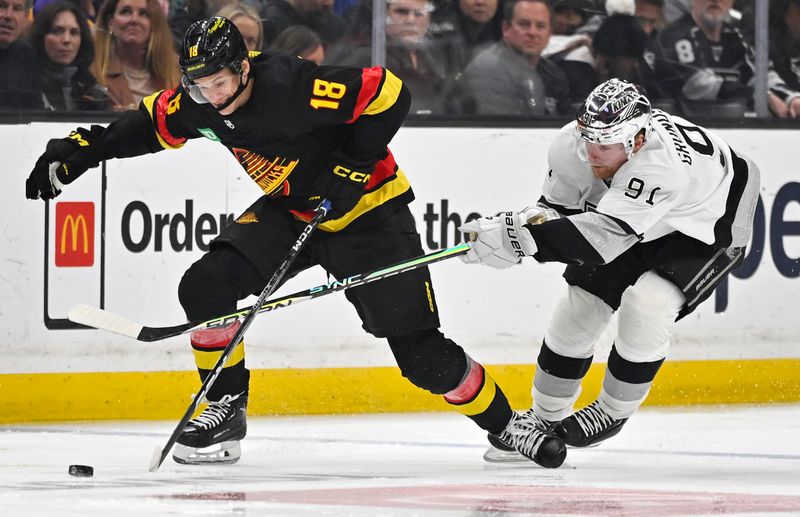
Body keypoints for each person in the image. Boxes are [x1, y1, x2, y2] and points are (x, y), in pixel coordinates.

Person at [25, 16, 566, 469]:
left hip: (371, 214)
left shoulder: (292, 84)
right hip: (292, 212)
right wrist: (81, 150)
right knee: (206, 287)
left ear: (243, 67)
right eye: (198, 86)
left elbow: (390, 94)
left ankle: (505, 426)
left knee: (424, 360)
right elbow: (146, 126)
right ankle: (226, 407)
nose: (210, 98)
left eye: (218, 83)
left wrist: (353, 166)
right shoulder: (201, 100)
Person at [460, 78, 759, 457]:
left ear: (636, 140)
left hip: (709, 218)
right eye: (588, 139)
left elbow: (601, 241)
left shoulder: (661, 165)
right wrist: (517, 226)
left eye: (606, 144)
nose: (593, 153)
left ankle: (613, 412)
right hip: (636, 218)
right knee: (579, 306)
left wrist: (521, 242)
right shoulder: (571, 146)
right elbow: (559, 213)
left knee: (647, 304)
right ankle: (543, 418)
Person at [656, 0, 800, 118]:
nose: (715, 0)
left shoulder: (735, 36)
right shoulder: (675, 36)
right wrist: (760, 95)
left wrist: (791, 98)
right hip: (684, 134)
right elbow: (696, 85)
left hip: (734, 131)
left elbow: (761, 76)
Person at [451, 0, 569, 116]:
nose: (533, 32)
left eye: (540, 26)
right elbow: (499, 131)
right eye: (524, 24)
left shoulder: (554, 75)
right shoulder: (488, 70)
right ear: (506, 28)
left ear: (550, 34)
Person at [330, 0, 449, 115]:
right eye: (401, 12)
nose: (410, 20)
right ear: (384, 17)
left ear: (429, 20)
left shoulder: (438, 59)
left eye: (419, 13)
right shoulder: (366, 58)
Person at [92, 0, 180, 110]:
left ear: (153, 24)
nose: (134, 20)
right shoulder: (93, 74)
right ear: (111, 23)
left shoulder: (178, 70)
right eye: (126, 12)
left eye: (143, 14)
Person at [28, 2, 112, 111]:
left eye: (74, 32)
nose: (66, 40)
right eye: (57, 31)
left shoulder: (94, 93)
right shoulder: (25, 86)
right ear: (41, 36)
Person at [0, 0, 42, 110]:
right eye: (1, 6)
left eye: (17, 9)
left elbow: (36, 114)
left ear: (25, 18)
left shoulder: (26, 54)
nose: (8, 16)